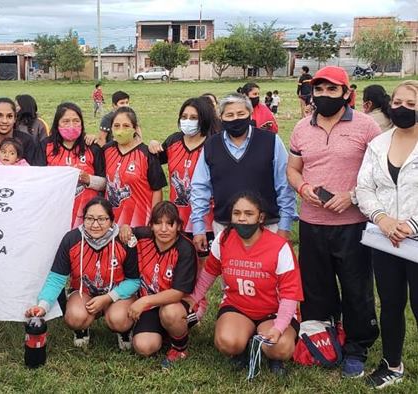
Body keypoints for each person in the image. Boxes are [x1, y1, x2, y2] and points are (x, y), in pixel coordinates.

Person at [286, 66, 381, 378]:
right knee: (316, 287)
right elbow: (293, 170)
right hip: (312, 222)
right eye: (319, 90)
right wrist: (303, 188)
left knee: (356, 287)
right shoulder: (301, 128)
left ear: (346, 93)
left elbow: (378, 175)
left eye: (331, 90)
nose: (324, 96)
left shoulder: (367, 127)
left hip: (353, 223)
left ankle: (357, 347)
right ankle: (323, 338)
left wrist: (352, 196)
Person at [187, 192, 303, 376]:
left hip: (272, 311)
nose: (242, 218)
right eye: (237, 213)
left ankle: (272, 354)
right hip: (238, 307)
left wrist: (279, 327)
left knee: (280, 348)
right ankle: (244, 344)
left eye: (249, 214)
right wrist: (193, 299)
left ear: (261, 217)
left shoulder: (280, 247)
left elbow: (290, 294)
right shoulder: (224, 239)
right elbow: (210, 272)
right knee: (227, 342)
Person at [355, 80, 418, 389]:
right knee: (390, 303)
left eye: (411, 104)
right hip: (386, 239)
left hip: (416, 238)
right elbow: (364, 186)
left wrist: (411, 225)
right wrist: (383, 219)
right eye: (398, 102)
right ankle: (392, 364)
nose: (402, 108)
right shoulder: (378, 143)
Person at [25, 197, 139, 350]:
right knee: (74, 317)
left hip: (116, 294)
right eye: (89, 219)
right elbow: (57, 278)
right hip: (83, 292)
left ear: (112, 221)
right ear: (83, 219)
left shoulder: (124, 239)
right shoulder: (71, 239)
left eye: (102, 219)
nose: (95, 224)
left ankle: (124, 331)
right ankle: (81, 329)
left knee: (119, 319)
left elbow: (134, 281)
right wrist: (43, 305)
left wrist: (108, 298)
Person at [190, 93, 296, 255]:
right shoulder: (211, 145)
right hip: (226, 226)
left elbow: (285, 186)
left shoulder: (271, 141)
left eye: (241, 114)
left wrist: (284, 227)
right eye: (229, 115)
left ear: (250, 114)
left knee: (269, 276)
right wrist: (198, 227)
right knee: (230, 276)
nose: (235, 119)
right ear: (221, 117)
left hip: (267, 225)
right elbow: (200, 188)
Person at [118, 201, 197, 368]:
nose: (163, 229)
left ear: (179, 226)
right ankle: (164, 332)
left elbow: (178, 293)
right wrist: (125, 227)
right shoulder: (143, 236)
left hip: (175, 303)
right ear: (151, 225)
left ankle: (179, 347)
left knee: (170, 313)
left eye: (170, 224)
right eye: (158, 223)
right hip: (150, 305)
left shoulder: (185, 248)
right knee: (144, 347)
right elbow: (127, 230)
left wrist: (144, 301)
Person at [149, 97, 219, 250]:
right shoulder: (174, 140)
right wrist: (152, 145)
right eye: (184, 117)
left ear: (204, 119)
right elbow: (152, 161)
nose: (188, 121)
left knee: (203, 263)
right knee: (180, 260)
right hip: (177, 218)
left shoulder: (213, 145)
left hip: (205, 218)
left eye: (194, 118)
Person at [38, 102, 105, 227]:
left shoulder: (92, 147)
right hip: (55, 214)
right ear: (57, 124)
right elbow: (38, 180)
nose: (71, 125)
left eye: (76, 121)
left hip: (88, 217)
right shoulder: (45, 146)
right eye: (66, 121)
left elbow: (106, 183)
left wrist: (89, 179)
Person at [103, 107, 167, 227]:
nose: (120, 130)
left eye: (126, 126)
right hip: (111, 224)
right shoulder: (106, 150)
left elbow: (157, 190)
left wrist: (153, 220)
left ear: (135, 128)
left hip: (140, 223)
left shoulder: (147, 154)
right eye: (116, 126)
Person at [0, 97, 39, 165]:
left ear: (15, 118)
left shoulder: (27, 142)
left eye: (9, 116)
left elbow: (33, 171)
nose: (4, 121)